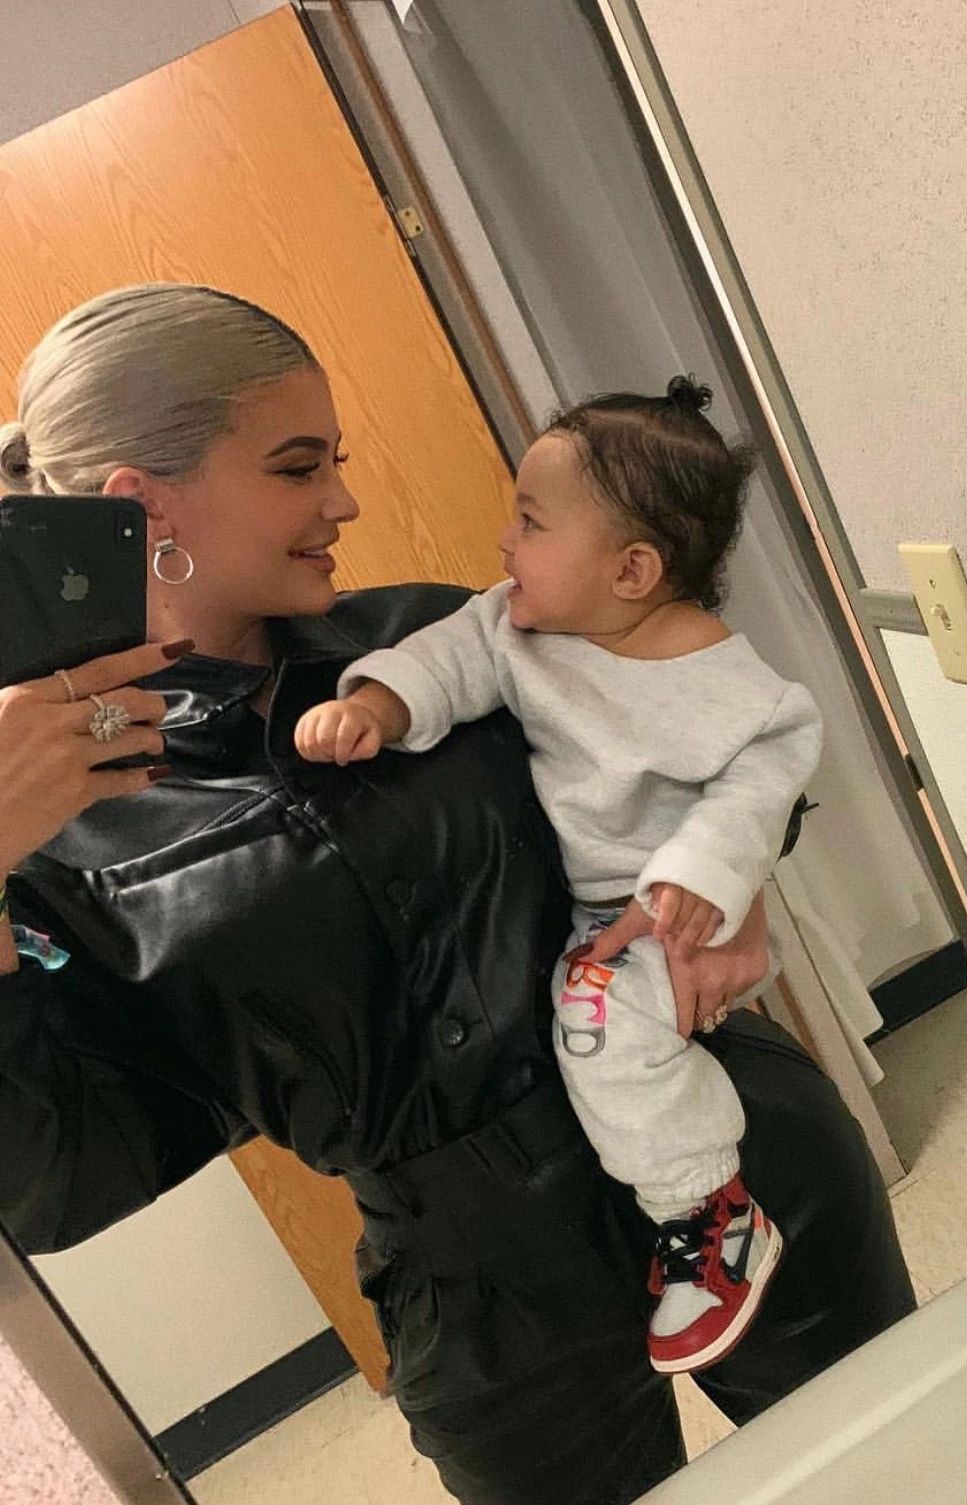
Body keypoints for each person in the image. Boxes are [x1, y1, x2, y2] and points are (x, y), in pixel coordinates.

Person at [0, 283, 915, 1505]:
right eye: (298, 466)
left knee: (906, 1470)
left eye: (336, 460)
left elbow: (723, 746)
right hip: (479, 1297)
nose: (342, 500)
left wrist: (730, 889)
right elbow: (57, 1176)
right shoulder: (61, 833)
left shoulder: (447, 636)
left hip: (732, 1156)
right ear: (142, 504)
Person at [295, 377, 823, 1376]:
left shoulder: (733, 688)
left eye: (531, 522)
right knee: (594, 1013)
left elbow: (763, 783)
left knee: (596, 1024)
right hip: (590, 915)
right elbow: (442, 662)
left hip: (669, 919)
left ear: (632, 569)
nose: (505, 543)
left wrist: (698, 875)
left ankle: (710, 1213)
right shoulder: (513, 629)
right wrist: (374, 707)